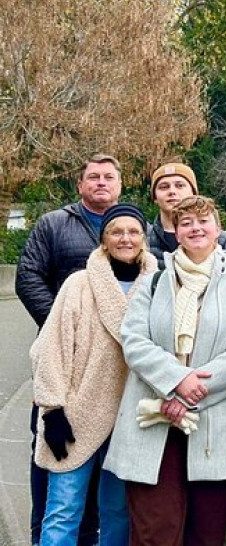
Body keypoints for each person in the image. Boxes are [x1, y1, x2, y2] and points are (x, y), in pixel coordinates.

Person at [104, 196, 226, 546]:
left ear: (218, 229)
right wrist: (176, 382)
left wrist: (192, 392)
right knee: (154, 531)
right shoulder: (153, 283)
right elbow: (134, 340)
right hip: (152, 421)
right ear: (176, 232)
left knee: (206, 534)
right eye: (186, 222)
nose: (196, 228)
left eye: (204, 221)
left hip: (215, 424)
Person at [31, 204, 157, 546]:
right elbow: (50, 348)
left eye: (133, 232)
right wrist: (53, 409)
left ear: (144, 239)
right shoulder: (79, 284)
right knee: (63, 510)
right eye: (116, 232)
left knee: (117, 513)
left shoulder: (158, 285)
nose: (125, 238)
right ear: (103, 240)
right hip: (78, 413)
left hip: (132, 416)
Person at [17, 153, 122, 546]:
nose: (100, 183)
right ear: (80, 184)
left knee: (103, 465)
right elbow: (28, 277)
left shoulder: (132, 227)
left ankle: (89, 536)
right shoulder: (55, 224)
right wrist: (63, 329)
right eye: (92, 177)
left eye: (108, 177)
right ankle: (41, 534)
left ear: (119, 185)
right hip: (60, 358)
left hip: (110, 371)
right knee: (51, 451)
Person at [146, 163, 226, 272]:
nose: (172, 191)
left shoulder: (221, 240)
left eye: (180, 185)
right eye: (164, 187)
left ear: (193, 192)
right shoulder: (145, 239)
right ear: (154, 197)